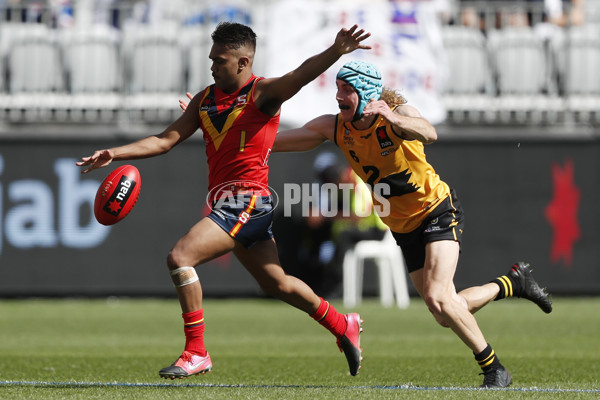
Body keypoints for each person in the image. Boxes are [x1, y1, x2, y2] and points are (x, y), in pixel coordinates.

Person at [77, 22, 372, 379]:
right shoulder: (205, 100)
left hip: (247, 201)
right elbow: (165, 139)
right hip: (230, 205)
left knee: (180, 257)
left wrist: (335, 51)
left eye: (220, 60)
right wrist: (115, 153)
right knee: (276, 284)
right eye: (211, 58)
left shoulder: (262, 93)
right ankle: (343, 324)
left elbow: (300, 74)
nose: (212, 65)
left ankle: (196, 351)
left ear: (243, 62)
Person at [270, 60, 553, 388]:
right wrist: (232, 135)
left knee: (439, 297)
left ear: (364, 92)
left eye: (345, 89)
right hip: (403, 227)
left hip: (436, 211)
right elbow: (276, 140)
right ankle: (513, 283)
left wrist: (393, 116)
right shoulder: (336, 127)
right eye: (337, 88)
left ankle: (495, 369)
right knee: (443, 313)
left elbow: (429, 133)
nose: (337, 96)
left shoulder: (396, 115)